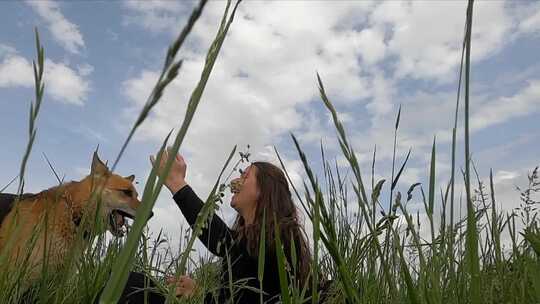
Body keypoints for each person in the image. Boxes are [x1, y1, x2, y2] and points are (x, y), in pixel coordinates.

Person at [150, 149, 312, 303]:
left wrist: (177, 183)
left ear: (264, 189)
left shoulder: (280, 237)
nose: (236, 181)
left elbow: (224, 241)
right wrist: (197, 292)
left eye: (245, 176)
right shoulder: (245, 246)